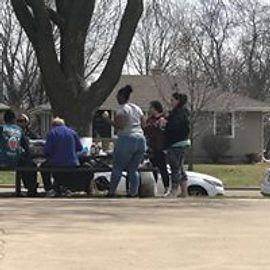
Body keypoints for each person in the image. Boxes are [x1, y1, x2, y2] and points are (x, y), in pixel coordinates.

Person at [103, 85, 146, 197]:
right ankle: (133, 193)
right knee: (133, 168)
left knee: (118, 167)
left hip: (127, 138)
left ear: (122, 96)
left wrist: (107, 119)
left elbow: (120, 126)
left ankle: (111, 191)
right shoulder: (137, 108)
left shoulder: (122, 109)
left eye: (117, 96)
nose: (116, 98)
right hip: (140, 139)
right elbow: (143, 123)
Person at [42, 117, 83, 197]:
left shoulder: (52, 133)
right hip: (72, 163)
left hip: (55, 163)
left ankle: (50, 189)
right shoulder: (72, 132)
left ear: (53, 125)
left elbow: (47, 150)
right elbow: (80, 148)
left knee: (43, 167)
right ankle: (66, 188)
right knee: (66, 170)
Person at [0, 110, 37, 196]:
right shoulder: (19, 130)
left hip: (2, 161)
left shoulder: (1, 129)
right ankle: (31, 190)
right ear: (14, 120)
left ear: (4, 120)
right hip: (16, 161)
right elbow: (26, 147)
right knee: (30, 165)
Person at [165, 93, 191, 197]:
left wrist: (166, 124)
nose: (171, 102)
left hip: (176, 143)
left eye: (172, 100)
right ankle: (184, 192)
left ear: (178, 101)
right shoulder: (182, 113)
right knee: (180, 167)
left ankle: (173, 191)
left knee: (175, 167)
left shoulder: (178, 113)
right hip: (182, 142)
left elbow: (175, 128)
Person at [144, 101, 170, 196]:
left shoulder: (162, 119)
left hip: (160, 147)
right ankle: (152, 189)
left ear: (155, 108)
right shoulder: (149, 120)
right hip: (151, 147)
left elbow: (164, 132)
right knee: (152, 168)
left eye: (150, 108)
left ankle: (167, 188)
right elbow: (146, 130)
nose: (149, 109)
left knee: (162, 168)